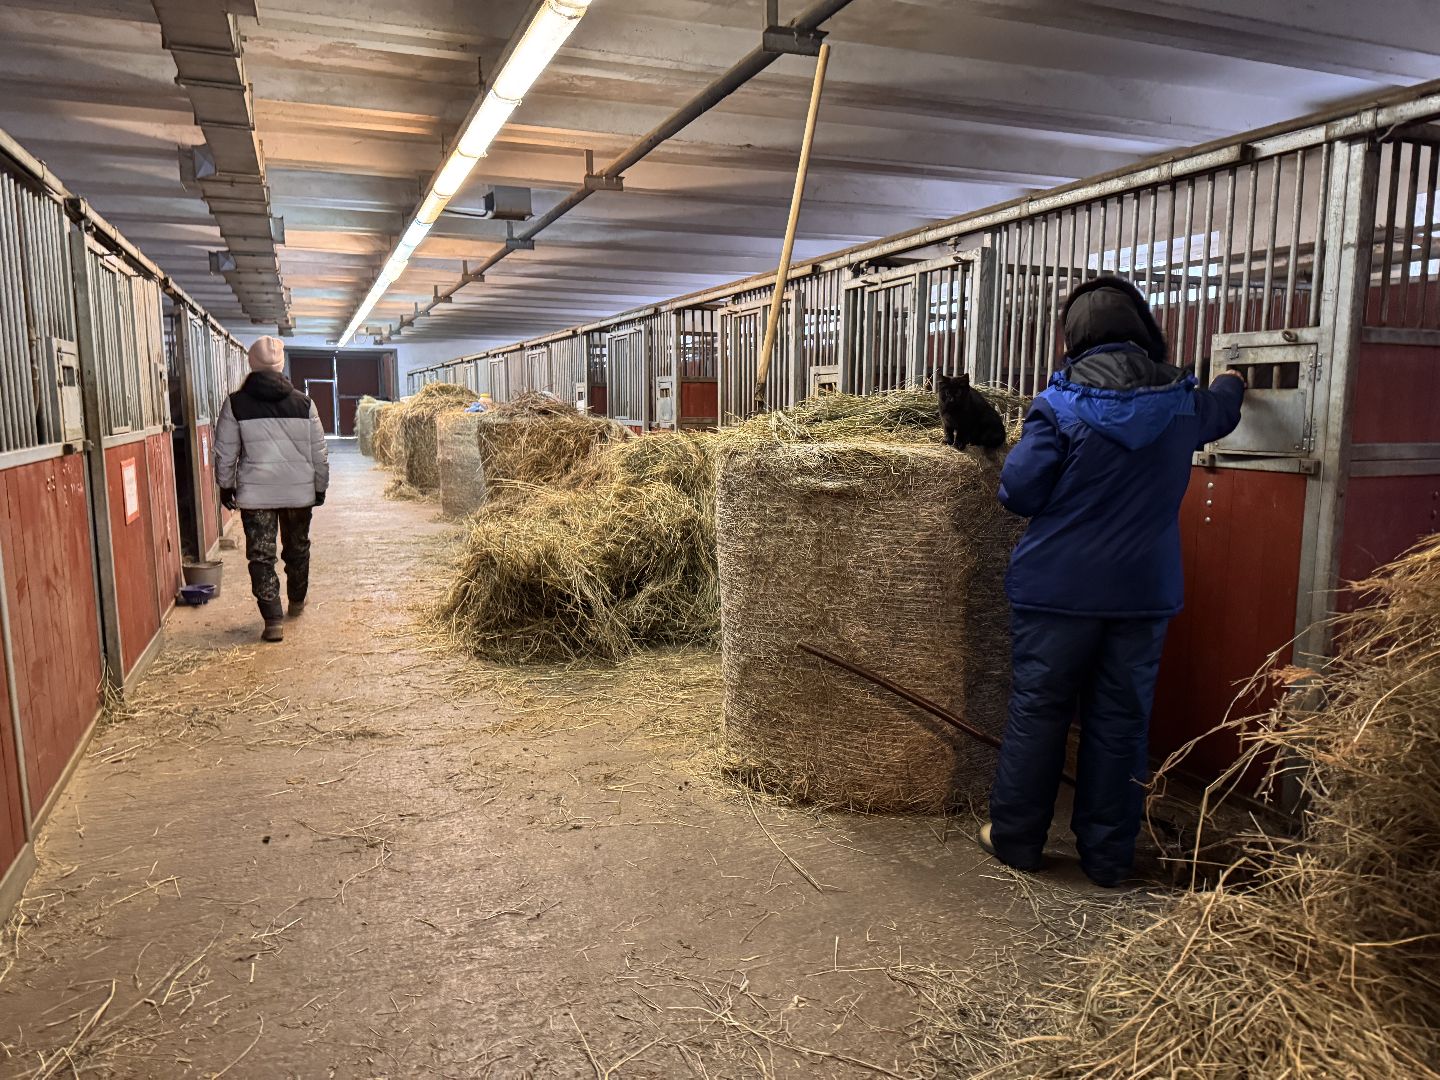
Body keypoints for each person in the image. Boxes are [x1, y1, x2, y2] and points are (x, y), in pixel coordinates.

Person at [979, 275, 1246, 887]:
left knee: (1040, 712)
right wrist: (1232, 379)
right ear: (1141, 330)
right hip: (1139, 595)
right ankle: (1108, 856)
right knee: (1122, 721)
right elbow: (1224, 411)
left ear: (1074, 338)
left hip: (1055, 593)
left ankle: (1018, 840)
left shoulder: (1058, 406)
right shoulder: (1184, 403)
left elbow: (1017, 493)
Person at [213, 336, 329, 643]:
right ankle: (298, 600)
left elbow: (225, 452)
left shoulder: (235, 403)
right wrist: (320, 486)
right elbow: (320, 452)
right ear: (281, 366)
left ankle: (273, 620)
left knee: (261, 557)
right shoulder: (304, 403)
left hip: (256, 495)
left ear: (251, 364)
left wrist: (225, 486)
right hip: (298, 493)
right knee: (298, 548)